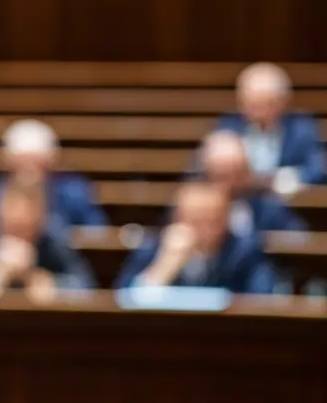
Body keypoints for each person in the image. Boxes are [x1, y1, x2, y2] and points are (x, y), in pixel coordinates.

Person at [115, 182, 276, 294]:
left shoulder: (244, 251)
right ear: (178, 220)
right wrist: (165, 265)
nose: (205, 230)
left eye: (213, 221)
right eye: (196, 221)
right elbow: (123, 300)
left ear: (226, 220)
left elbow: (262, 297)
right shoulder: (153, 247)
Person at [0, 119, 107, 232]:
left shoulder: (74, 191)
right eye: (22, 163)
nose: (29, 170)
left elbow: (96, 233)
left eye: (36, 163)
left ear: (51, 162)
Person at [214, 62, 324, 194]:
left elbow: (318, 169)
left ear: (283, 102)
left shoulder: (301, 128)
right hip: (241, 202)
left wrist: (285, 180)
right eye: (252, 104)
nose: (259, 112)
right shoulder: (228, 126)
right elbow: (201, 171)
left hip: (288, 204)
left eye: (267, 104)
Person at [191, 130, 306, 235]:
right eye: (221, 176)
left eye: (236, 174)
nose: (229, 185)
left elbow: (299, 240)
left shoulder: (268, 208)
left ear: (247, 174)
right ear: (206, 176)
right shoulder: (192, 212)